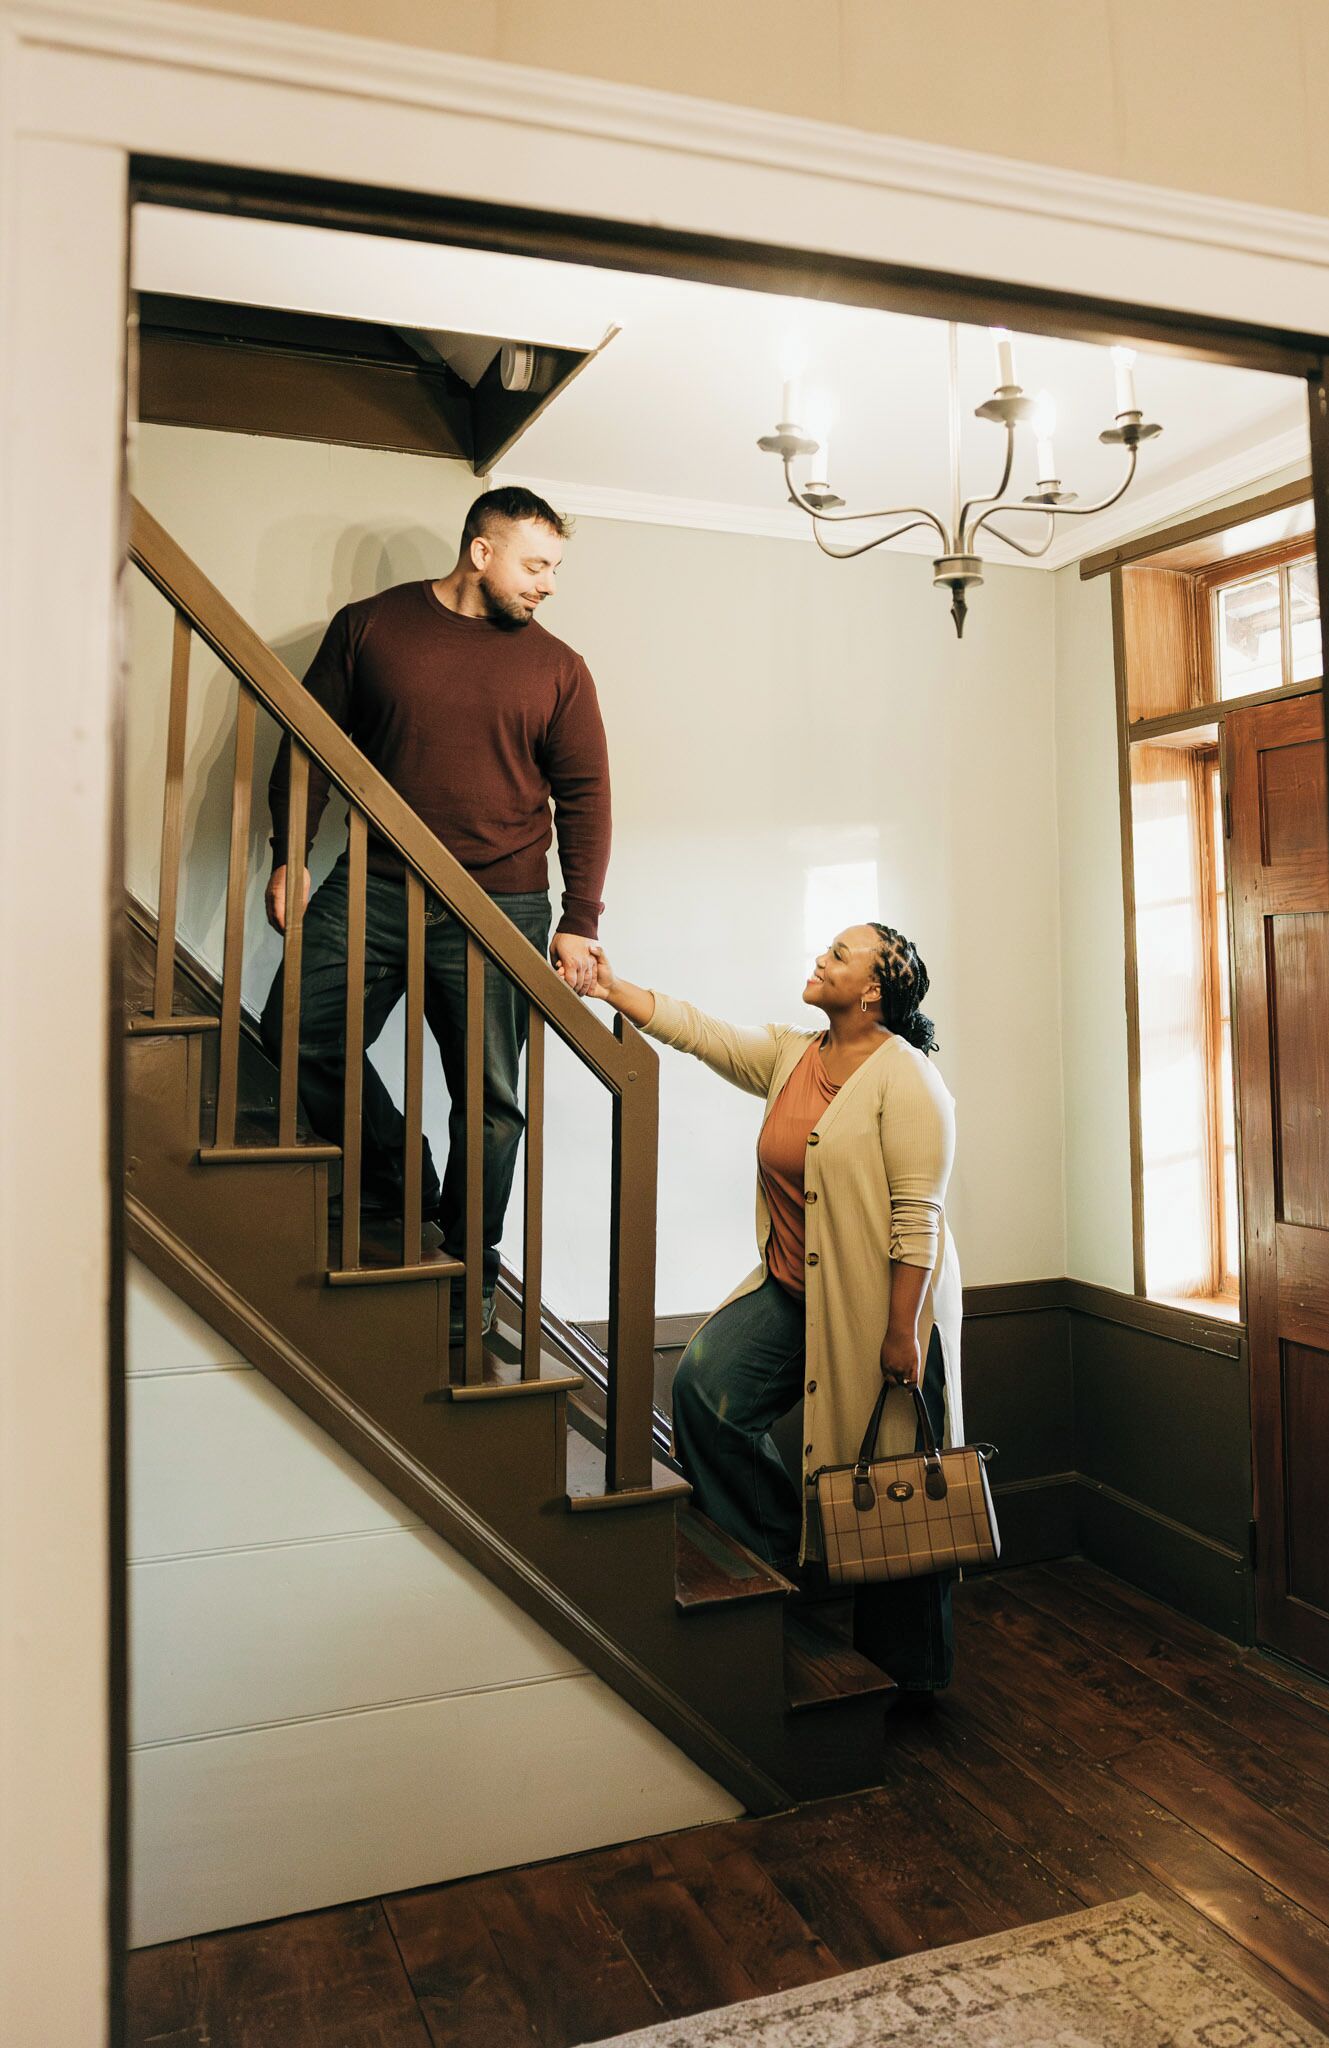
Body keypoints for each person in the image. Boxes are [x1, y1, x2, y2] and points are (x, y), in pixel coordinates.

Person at [261, 486, 610, 1340]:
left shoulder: (557, 667)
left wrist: (581, 917)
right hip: (376, 883)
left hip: (504, 905)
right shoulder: (371, 626)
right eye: (536, 565)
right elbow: (306, 742)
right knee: (294, 1029)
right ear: (480, 552)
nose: (548, 585)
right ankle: (401, 1177)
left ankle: (468, 1274)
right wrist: (289, 854)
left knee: (490, 1100)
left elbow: (586, 795)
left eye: (555, 568)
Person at [581, 924, 961, 1694]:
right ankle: (768, 1569)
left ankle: (910, 1680)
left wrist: (899, 1335)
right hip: (795, 1291)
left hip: (890, 1307)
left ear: (872, 991)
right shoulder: (795, 1053)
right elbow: (703, 1034)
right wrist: (609, 989)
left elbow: (916, 1216)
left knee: (895, 1481)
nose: (820, 957)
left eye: (839, 954)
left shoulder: (910, 1080)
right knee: (705, 1391)